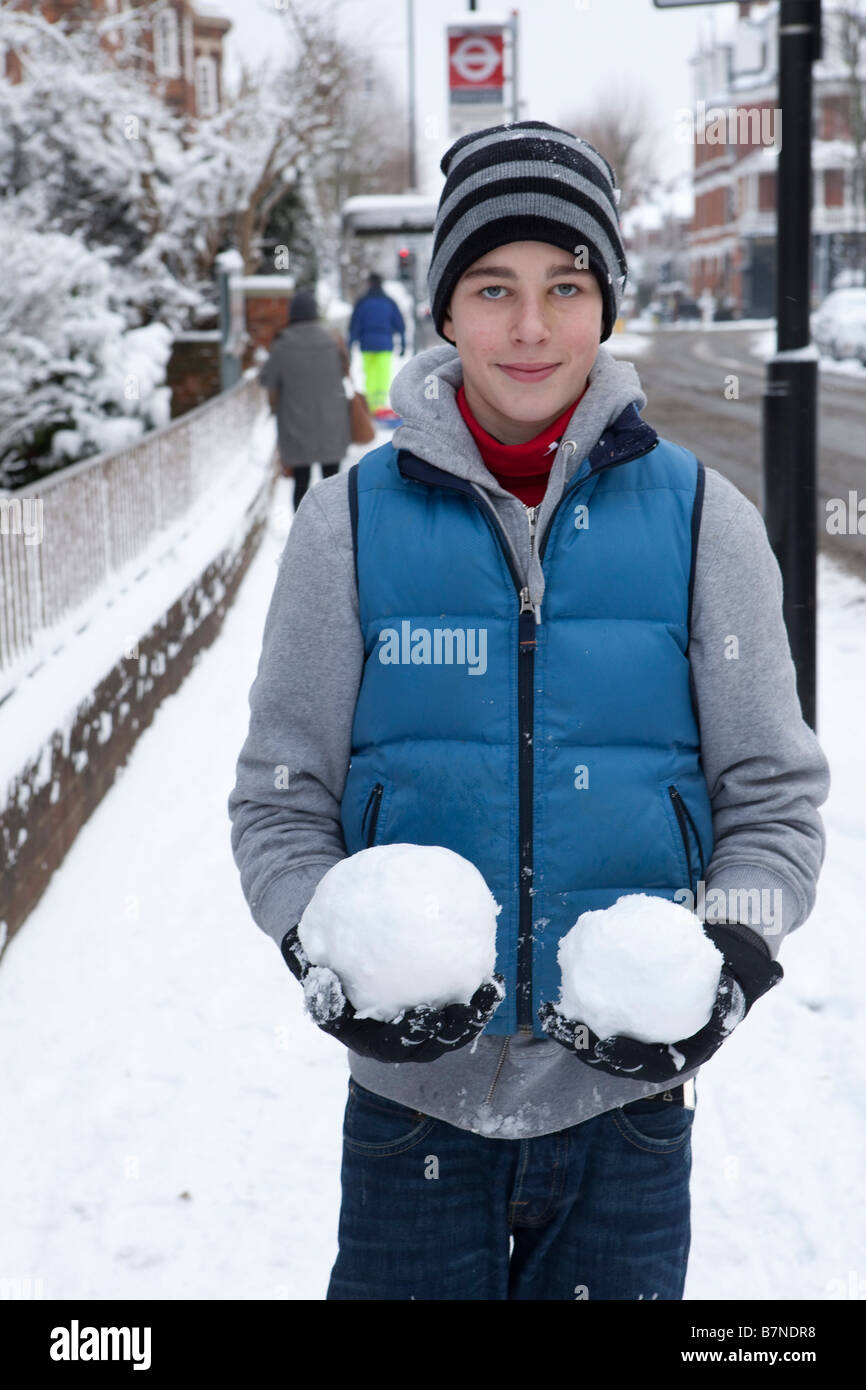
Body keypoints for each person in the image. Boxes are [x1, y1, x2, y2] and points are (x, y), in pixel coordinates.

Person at [228, 122, 830, 1301]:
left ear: (604, 306)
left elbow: (773, 799)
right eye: (492, 288)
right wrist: (323, 947)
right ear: (443, 311)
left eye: (564, 286)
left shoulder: (706, 522)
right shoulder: (344, 529)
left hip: (628, 1122)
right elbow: (279, 799)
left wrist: (731, 960)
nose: (529, 326)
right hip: (412, 1125)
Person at [258, 289, 350, 511]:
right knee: (333, 482)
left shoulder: (282, 345)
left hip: (297, 424)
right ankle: (336, 533)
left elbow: (266, 380)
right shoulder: (332, 339)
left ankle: (302, 535)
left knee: (301, 482)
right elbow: (345, 369)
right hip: (332, 421)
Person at [347, 272, 406, 416]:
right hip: (385, 345)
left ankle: (372, 406)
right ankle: (379, 406)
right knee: (383, 375)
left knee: (370, 375)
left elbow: (354, 326)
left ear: (369, 284)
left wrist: (349, 345)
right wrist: (403, 342)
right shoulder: (389, 302)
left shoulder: (362, 302)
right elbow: (400, 325)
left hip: (367, 345)